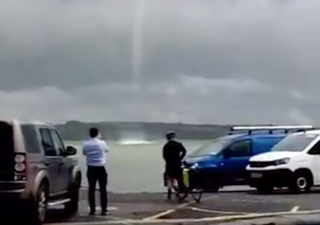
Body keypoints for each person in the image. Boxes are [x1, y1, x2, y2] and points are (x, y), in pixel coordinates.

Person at [82, 127, 109, 216]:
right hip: (100, 167)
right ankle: (104, 210)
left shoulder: (86, 144)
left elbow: (84, 153)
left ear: (90, 134)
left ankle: (92, 210)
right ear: (97, 134)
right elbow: (106, 150)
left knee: (91, 189)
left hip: (91, 168)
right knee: (103, 189)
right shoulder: (102, 143)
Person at [162, 131, 187, 199]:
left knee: (169, 177)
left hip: (169, 164)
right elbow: (184, 151)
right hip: (177, 163)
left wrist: (168, 160)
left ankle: (169, 193)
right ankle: (181, 189)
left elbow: (164, 155)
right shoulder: (178, 144)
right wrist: (180, 158)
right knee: (179, 177)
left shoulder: (166, 146)